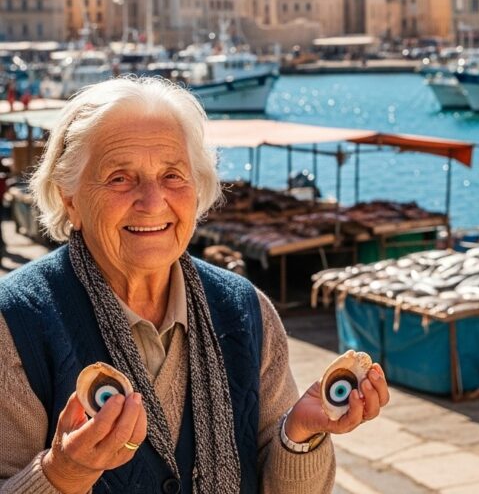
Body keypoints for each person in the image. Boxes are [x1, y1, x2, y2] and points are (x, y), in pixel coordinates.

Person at [0, 77, 390, 493]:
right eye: (119, 178)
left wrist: (299, 434)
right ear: (70, 199)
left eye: (173, 176)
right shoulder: (15, 324)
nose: (152, 202)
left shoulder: (246, 311)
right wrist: (63, 472)